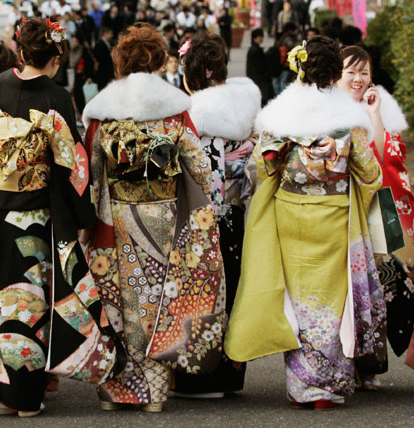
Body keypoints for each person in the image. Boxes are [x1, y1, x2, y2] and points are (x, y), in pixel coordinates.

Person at [0, 18, 98, 416]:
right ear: (56, 57)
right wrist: (82, 214)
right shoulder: (58, 97)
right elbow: (71, 166)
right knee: (27, 302)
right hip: (33, 216)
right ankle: (24, 397)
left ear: (21, 53)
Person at [225, 36, 386, 410]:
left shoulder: (279, 115)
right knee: (329, 303)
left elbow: (261, 167)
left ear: (298, 67)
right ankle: (326, 388)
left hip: (289, 215)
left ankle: (302, 387)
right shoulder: (349, 119)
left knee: (297, 303)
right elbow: (371, 173)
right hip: (333, 217)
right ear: (335, 72)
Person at [82, 24, 226, 412]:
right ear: (161, 61)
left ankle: (122, 385)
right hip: (165, 215)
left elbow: (92, 175)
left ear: (120, 63)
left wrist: (87, 222)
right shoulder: (174, 109)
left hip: (118, 216)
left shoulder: (102, 112)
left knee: (123, 300)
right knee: (160, 299)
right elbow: (198, 168)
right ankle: (155, 391)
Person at [172, 32, 261, 398]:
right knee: (234, 286)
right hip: (235, 213)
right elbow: (250, 171)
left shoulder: (197, 116)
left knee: (203, 292)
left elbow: (198, 175)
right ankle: (230, 372)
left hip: (202, 216)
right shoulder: (245, 106)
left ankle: (200, 378)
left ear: (192, 75)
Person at [337, 45, 414, 381]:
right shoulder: (323, 112)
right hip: (338, 211)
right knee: (344, 293)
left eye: (363, 72)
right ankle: (343, 363)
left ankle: (369, 364)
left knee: (384, 287)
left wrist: (375, 115)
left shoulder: (379, 108)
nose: (358, 78)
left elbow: (382, 161)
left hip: (374, 210)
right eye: (351, 71)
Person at [246, 28, 275, 106]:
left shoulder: (254, 49)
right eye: (260, 37)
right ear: (255, 38)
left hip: (256, 79)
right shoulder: (255, 50)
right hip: (259, 80)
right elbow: (260, 66)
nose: (261, 39)